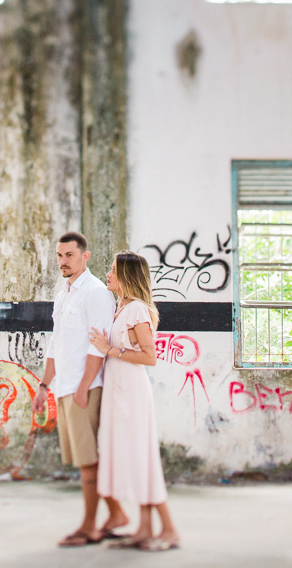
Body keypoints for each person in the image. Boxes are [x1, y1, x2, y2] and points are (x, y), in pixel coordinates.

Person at [31, 232, 129, 547]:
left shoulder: (97, 293)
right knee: (84, 460)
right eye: (60, 255)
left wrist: (84, 387)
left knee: (88, 460)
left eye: (69, 255)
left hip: (85, 388)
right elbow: (56, 344)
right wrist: (44, 385)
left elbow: (97, 346)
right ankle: (117, 516)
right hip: (65, 386)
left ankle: (89, 526)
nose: (63, 261)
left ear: (84, 257)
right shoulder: (64, 295)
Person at [89, 250, 181, 552]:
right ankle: (144, 529)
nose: (108, 274)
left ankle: (169, 530)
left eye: (114, 270)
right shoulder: (121, 307)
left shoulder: (138, 310)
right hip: (118, 392)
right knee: (131, 459)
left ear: (127, 276)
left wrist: (108, 349)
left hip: (132, 393)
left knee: (143, 460)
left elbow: (150, 357)